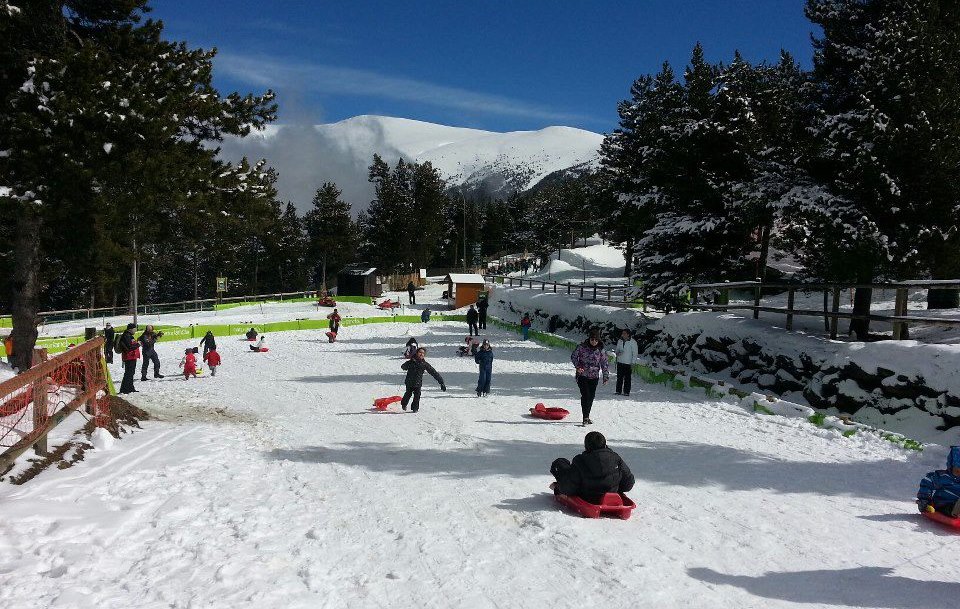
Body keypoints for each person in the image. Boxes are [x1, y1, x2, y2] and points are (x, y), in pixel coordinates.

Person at [550, 431, 635, 504]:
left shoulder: (580, 460)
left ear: (586, 446)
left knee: (560, 463)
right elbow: (628, 483)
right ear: (605, 444)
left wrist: (558, 487)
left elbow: (568, 488)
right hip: (611, 494)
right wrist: (613, 488)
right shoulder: (615, 458)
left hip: (587, 496)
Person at [570, 329, 609, 425]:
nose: (594, 342)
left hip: (594, 376)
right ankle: (585, 417)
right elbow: (574, 356)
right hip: (582, 375)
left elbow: (604, 363)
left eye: (596, 340)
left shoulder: (601, 350)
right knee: (586, 395)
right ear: (589, 339)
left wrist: (605, 376)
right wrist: (578, 366)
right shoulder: (582, 347)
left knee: (591, 396)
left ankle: (587, 416)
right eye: (592, 339)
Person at [917, 445, 960, 517]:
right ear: (951, 466)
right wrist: (924, 499)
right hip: (942, 505)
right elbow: (927, 482)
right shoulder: (943, 476)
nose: (959, 474)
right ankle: (957, 514)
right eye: (957, 470)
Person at [400, 347, 446, 413]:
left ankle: (415, 408)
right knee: (408, 394)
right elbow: (403, 367)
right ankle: (404, 404)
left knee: (417, 395)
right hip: (409, 382)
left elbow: (434, 372)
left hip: (418, 383)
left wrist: (441, 382)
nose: (421, 354)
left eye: (423, 353)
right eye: (420, 352)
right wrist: (408, 363)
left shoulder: (424, 364)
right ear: (417, 353)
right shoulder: (411, 361)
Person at [118, 323, 140, 394]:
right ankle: (125, 389)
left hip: (132, 356)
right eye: (134, 329)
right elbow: (129, 347)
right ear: (130, 329)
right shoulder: (126, 336)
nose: (135, 331)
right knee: (128, 373)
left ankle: (130, 388)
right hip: (129, 357)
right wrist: (138, 344)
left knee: (131, 373)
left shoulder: (129, 335)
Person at [614, 328, 638, 396]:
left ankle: (626, 392)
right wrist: (618, 353)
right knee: (619, 377)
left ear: (628, 334)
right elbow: (617, 350)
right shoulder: (620, 341)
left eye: (624, 333)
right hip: (620, 361)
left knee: (627, 378)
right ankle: (618, 391)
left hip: (628, 363)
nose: (623, 335)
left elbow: (635, 353)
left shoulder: (633, 342)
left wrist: (633, 362)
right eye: (622, 333)